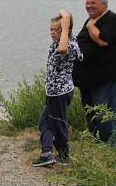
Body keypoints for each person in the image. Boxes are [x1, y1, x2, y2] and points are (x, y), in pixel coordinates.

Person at [72, 0, 116, 145]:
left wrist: (90, 26)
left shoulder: (112, 19)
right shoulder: (91, 20)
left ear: (104, 4)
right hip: (89, 79)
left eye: (93, 3)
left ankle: (110, 148)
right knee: (91, 112)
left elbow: (103, 41)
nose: (89, 6)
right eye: (87, 3)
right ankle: (97, 145)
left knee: (105, 115)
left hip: (106, 77)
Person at [33, 11, 83, 166]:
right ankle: (47, 152)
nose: (52, 33)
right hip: (53, 91)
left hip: (61, 92)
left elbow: (63, 50)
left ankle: (63, 155)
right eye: (51, 30)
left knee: (58, 122)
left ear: (67, 30)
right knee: (45, 121)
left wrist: (66, 22)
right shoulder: (60, 42)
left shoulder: (69, 45)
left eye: (57, 30)